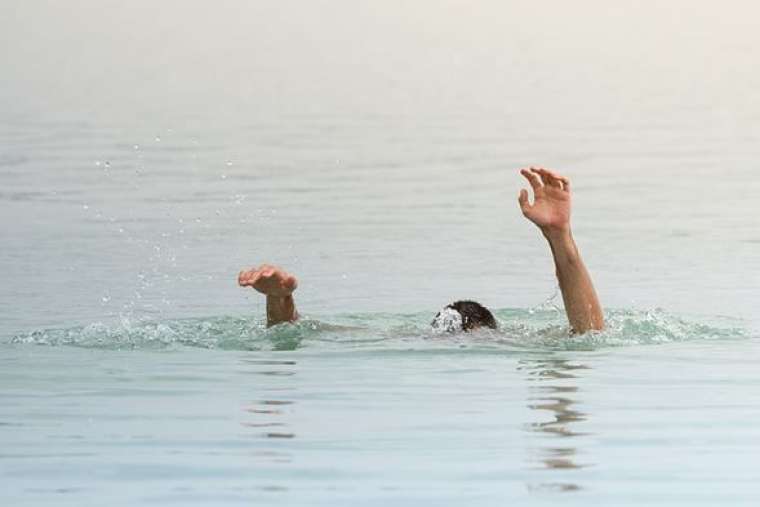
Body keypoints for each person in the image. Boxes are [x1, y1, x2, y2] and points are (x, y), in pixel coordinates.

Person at [238, 167, 604, 334]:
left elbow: (300, 332)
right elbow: (589, 333)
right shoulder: (512, 343)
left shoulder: (400, 337)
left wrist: (280, 303)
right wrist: (561, 238)